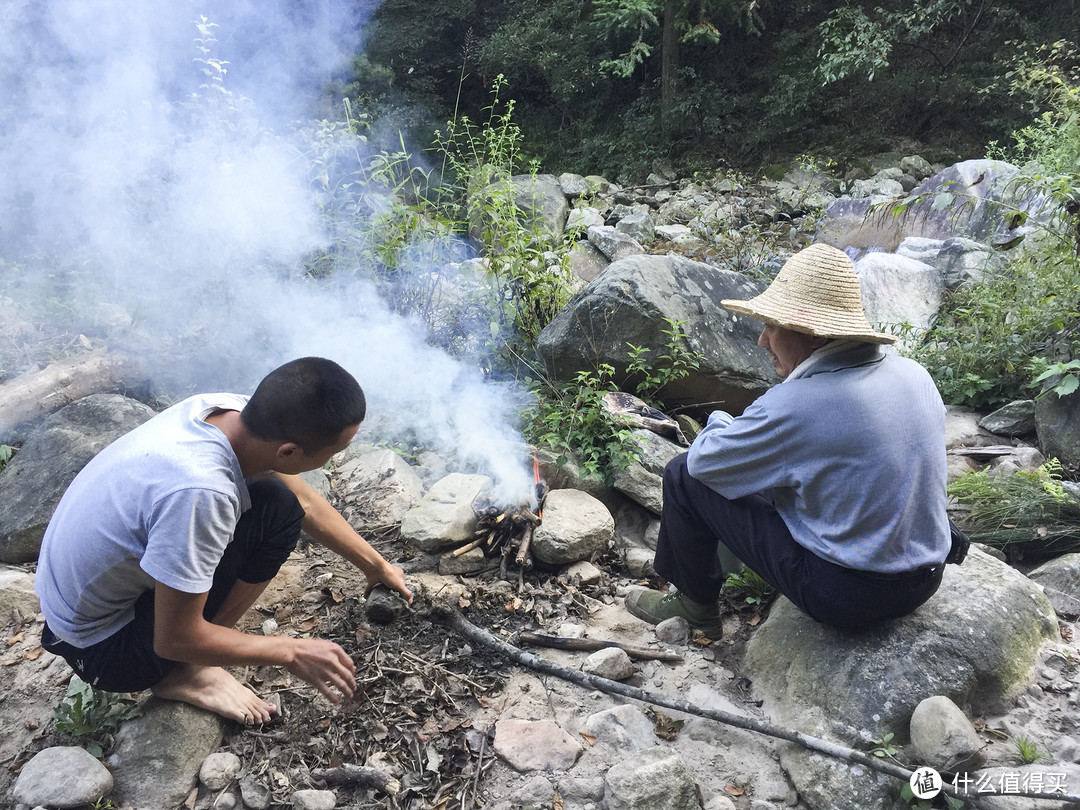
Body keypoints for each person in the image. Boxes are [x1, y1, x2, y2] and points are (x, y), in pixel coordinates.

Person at [35, 357, 413, 724]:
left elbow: (304, 500)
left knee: (280, 505)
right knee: (273, 514)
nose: (331, 462)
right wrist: (290, 650)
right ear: (289, 451)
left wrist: (377, 567)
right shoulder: (201, 492)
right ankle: (186, 672)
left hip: (80, 600)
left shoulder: (226, 409)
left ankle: (198, 653)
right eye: (334, 454)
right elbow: (173, 638)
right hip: (101, 648)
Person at [625, 243, 950, 635]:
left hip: (848, 596)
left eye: (772, 326)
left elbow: (703, 463)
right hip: (927, 578)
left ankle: (696, 607)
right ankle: (724, 566)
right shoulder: (914, 374)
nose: (763, 341)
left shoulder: (799, 404)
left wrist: (721, 419)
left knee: (683, 475)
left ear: (814, 335)